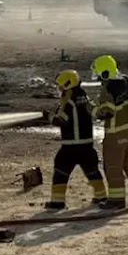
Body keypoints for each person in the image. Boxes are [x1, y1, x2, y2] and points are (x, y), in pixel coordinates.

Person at [44, 69, 107, 210]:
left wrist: (48, 117)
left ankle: (57, 202)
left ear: (67, 84)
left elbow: (62, 121)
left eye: (60, 86)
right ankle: (101, 196)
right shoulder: (83, 96)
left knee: (60, 170)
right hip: (87, 145)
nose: (59, 89)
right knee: (92, 171)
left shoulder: (69, 100)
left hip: (71, 146)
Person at [91, 54, 128, 210]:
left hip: (117, 136)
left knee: (113, 167)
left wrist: (91, 108)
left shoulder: (107, 89)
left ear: (104, 73)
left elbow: (105, 112)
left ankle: (116, 200)